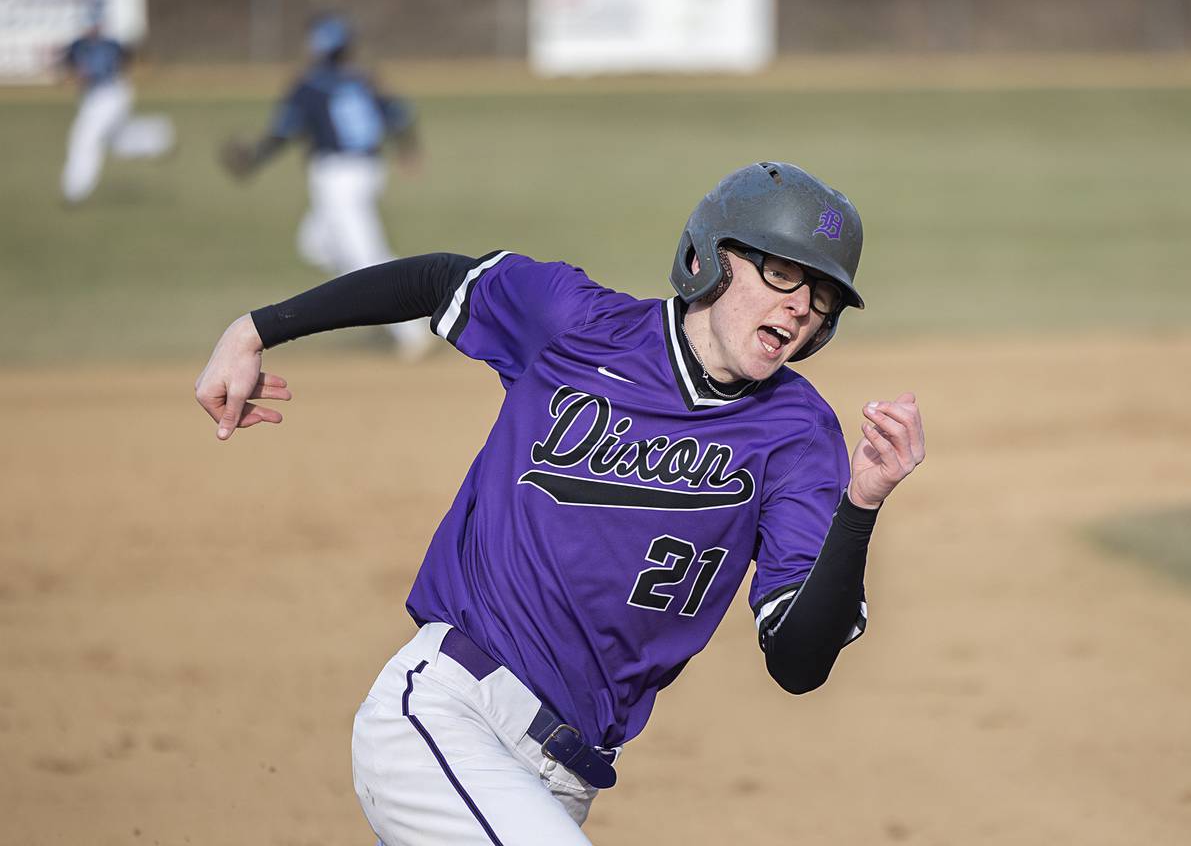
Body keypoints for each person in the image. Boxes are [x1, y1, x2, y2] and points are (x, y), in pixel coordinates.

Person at [194, 161, 925, 845]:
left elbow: (799, 662)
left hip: (563, 781)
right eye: (782, 272)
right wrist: (254, 330)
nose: (799, 308)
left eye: (821, 299)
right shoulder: (577, 324)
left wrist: (861, 505)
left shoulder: (798, 435)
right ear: (711, 255)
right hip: (448, 714)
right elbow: (440, 280)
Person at [219, 12, 430, 360]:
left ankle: (413, 328)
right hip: (367, 170)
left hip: (337, 176)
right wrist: (408, 149)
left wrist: (254, 158)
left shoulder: (309, 85)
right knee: (315, 244)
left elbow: (283, 132)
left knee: (365, 255)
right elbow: (400, 114)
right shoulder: (363, 79)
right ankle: (373, 298)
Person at [58, 5, 175, 204]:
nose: (91, 28)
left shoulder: (110, 45)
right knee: (117, 140)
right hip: (92, 100)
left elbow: (128, 58)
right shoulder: (77, 46)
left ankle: (74, 190)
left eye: (94, 24)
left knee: (85, 138)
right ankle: (159, 139)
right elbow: (67, 67)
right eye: (88, 25)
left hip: (110, 95)